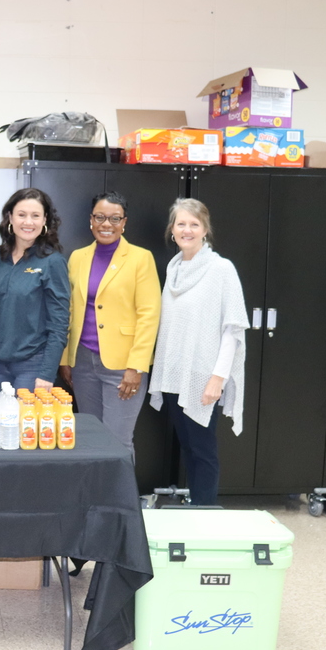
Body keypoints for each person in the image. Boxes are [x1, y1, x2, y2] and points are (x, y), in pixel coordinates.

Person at [149, 198, 248, 506]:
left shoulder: (221, 269)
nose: (187, 230)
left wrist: (217, 379)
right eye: (181, 224)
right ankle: (197, 508)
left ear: (205, 230)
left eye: (194, 224)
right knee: (189, 448)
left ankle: (206, 513)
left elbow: (232, 330)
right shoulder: (174, 268)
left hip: (203, 377)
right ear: (172, 229)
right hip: (174, 377)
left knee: (203, 451)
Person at [58, 191, 161, 453]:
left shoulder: (141, 258)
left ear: (124, 222)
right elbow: (68, 311)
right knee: (91, 439)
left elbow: (149, 315)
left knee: (118, 442)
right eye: (100, 217)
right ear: (91, 220)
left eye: (115, 219)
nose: (107, 224)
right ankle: (96, 496)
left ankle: (122, 496)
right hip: (82, 363)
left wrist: (136, 367)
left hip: (123, 366)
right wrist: (65, 359)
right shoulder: (77, 258)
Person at [0, 188, 69, 391]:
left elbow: (59, 323)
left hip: (33, 366)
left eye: (35, 216)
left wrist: (47, 373)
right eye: (21, 215)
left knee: (26, 423)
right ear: (10, 217)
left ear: (45, 219)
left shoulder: (52, 262)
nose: (28, 222)